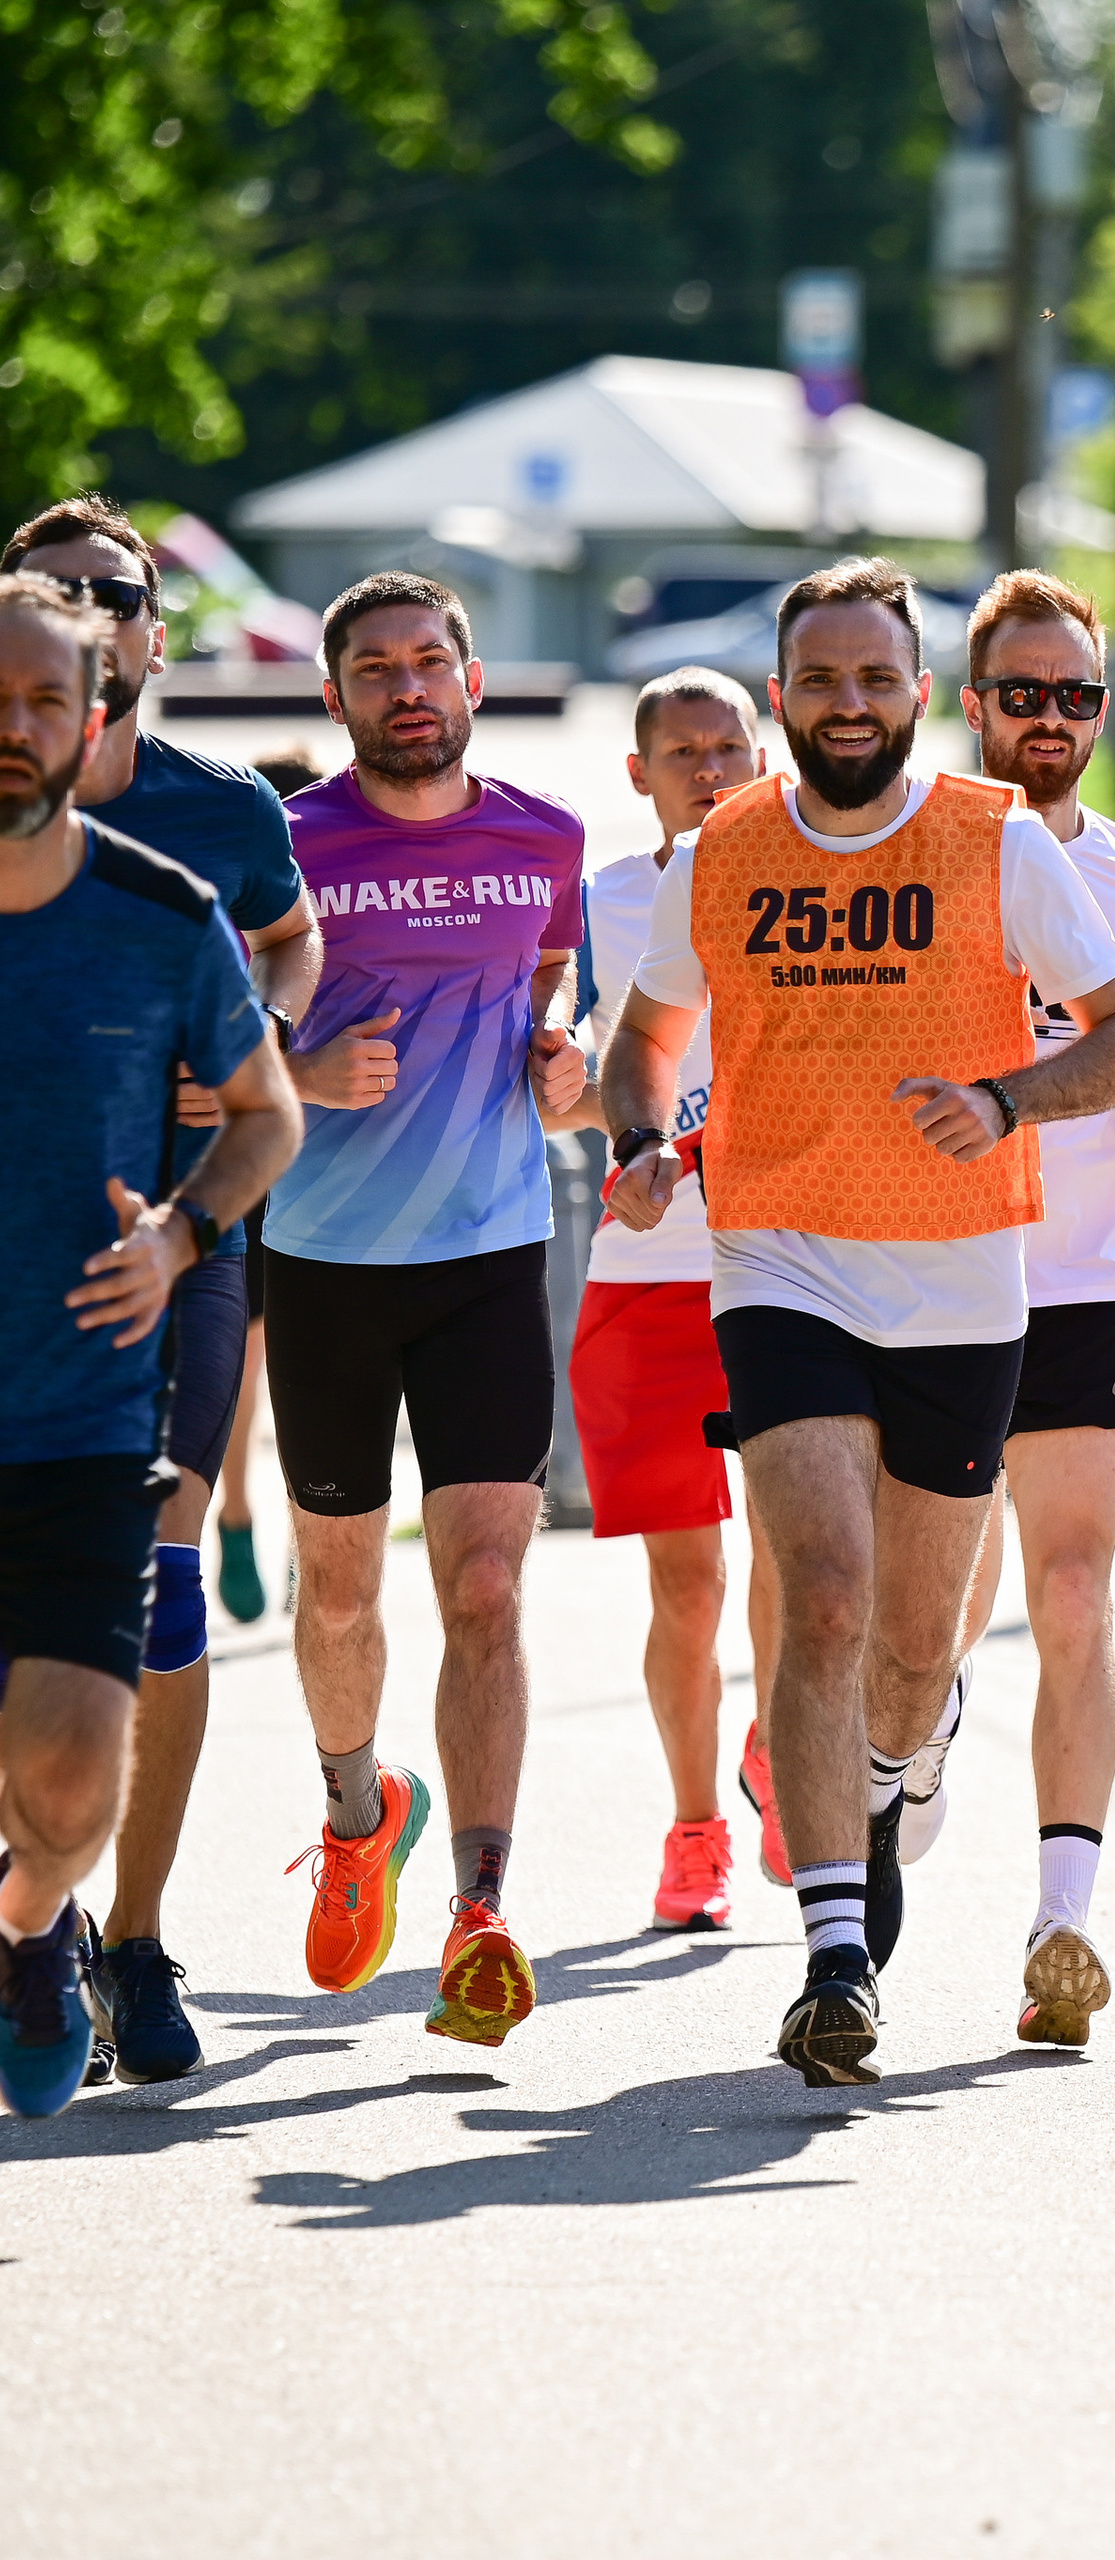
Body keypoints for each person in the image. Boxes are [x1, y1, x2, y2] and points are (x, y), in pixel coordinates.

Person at [601, 557, 1115, 2088]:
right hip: (779, 1260)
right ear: (783, 699)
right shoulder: (720, 849)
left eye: (874, 679)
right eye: (820, 680)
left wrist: (1004, 1100)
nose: (848, 704)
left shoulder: (992, 844)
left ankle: (896, 1775)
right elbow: (647, 1036)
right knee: (826, 1591)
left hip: (966, 1281)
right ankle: (834, 1953)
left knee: (914, 1645)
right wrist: (639, 1141)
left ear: (920, 695)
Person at [3, 497, 323, 2085]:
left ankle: (122, 1936)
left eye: (107, 595)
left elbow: (288, 945)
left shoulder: (207, 826)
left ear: (142, 635)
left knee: (159, 1567)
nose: (84, 609)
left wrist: (230, 1064)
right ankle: (38, 1920)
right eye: (47, 592)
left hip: (162, 1262)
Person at [263, 573, 587, 2050]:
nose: (408, 687)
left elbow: (552, 982)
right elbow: (216, 1047)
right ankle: (356, 1809)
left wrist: (562, 1046)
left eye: (430, 661)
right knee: (335, 1592)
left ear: (471, 679)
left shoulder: (545, 839)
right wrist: (305, 1082)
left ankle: (482, 1906)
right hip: (323, 1262)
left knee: (487, 1592)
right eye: (375, 668)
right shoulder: (284, 848)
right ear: (334, 699)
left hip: (485, 1258)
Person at [939, 569, 1115, 2048]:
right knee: (937, 1610)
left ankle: (1064, 1924)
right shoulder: (919, 856)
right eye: (1022, 694)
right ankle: (916, 1749)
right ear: (970, 704)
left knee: (1071, 1592)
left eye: (1077, 697)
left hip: (1092, 1273)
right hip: (931, 1267)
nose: (1052, 720)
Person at [555, 668, 780, 1931]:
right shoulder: (606, 901)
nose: (710, 768)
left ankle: (778, 1751)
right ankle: (695, 1826)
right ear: (637, 772)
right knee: (686, 1586)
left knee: (797, 1559)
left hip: (783, 1264)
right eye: (684, 751)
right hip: (647, 1275)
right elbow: (589, 1076)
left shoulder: (807, 876)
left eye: (729, 747)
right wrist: (579, 1104)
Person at [214, 747, 330, 1630]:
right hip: (271, 1143)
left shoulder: (246, 897)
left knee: (260, 1357)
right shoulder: (280, 905)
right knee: (266, 1354)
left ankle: (259, 1516)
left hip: (284, 1149)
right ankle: (264, 1520)